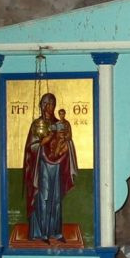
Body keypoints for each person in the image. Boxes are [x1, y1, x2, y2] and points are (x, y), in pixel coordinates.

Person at [23, 93, 77, 243]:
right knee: (44, 197)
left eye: (52, 104)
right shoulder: (37, 124)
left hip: (57, 164)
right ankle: (43, 232)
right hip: (43, 165)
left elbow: (67, 139)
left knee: (56, 198)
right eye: (47, 104)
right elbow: (31, 146)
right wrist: (43, 142)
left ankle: (56, 232)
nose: (50, 107)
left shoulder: (59, 123)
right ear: (42, 105)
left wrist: (65, 142)